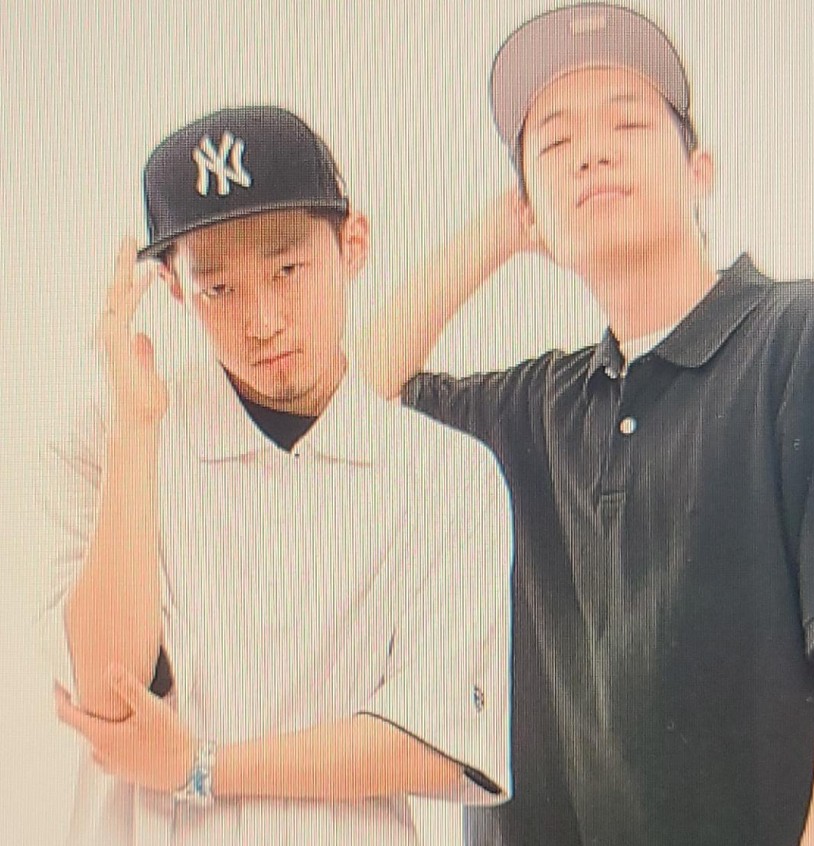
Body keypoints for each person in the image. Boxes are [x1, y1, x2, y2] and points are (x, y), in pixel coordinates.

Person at [361, 5, 814, 845]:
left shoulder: (811, 341)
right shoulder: (531, 412)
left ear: (700, 171)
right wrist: (494, 235)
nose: (591, 152)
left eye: (628, 124)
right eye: (554, 144)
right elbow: (348, 410)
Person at [40, 105, 512, 845]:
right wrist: (136, 428)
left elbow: (428, 740)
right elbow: (106, 694)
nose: (261, 320)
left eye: (287, 270)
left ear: (353, 245)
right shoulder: (113, 438)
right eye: (217, 288)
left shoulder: (447, 474)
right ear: (174, 288)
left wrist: (200, 766)